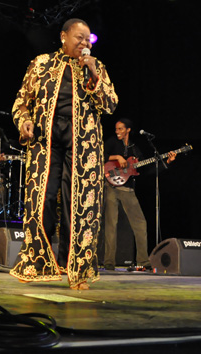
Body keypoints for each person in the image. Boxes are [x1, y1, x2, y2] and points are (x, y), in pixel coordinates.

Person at [10, 18, 118, 290]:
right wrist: (23, 120)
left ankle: (78, 271)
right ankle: (36, 264)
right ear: (63, 36)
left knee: (78, 203)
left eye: (88, 40)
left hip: (83, 143)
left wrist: (93, 73)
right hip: (45, 140)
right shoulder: (41, 63)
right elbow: (22, 101)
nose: (84, 43)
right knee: (42, 199)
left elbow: (110, 105)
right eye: (79, 37)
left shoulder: (96, 67)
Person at [103, 118, 177, 271]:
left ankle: (143, 261)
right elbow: (99, 155)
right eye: (116, 129)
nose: (117, 132)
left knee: (140, 224)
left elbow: (146, 172)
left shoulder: (135, 149)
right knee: (111, 225)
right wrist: (117, 157)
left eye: (120, 129)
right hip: (110, 186)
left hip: (128, 190)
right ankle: (109, 262)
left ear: (128, 130)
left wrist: (167, 163)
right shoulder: (111, 142)